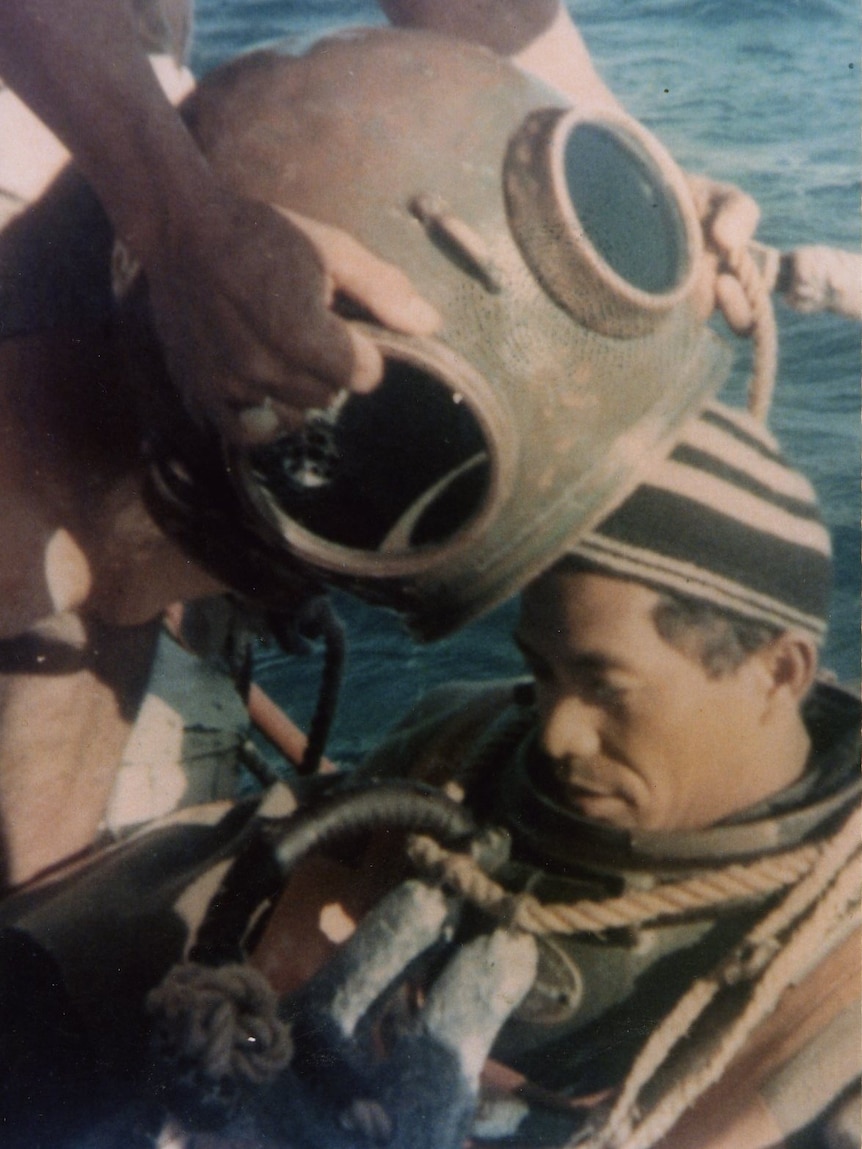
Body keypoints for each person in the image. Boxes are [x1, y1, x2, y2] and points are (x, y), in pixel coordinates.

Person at [252, 400, 859, 1149]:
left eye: (606, 685)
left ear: (777, 671)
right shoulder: (451, 750)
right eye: (543, 671)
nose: (559, 731)